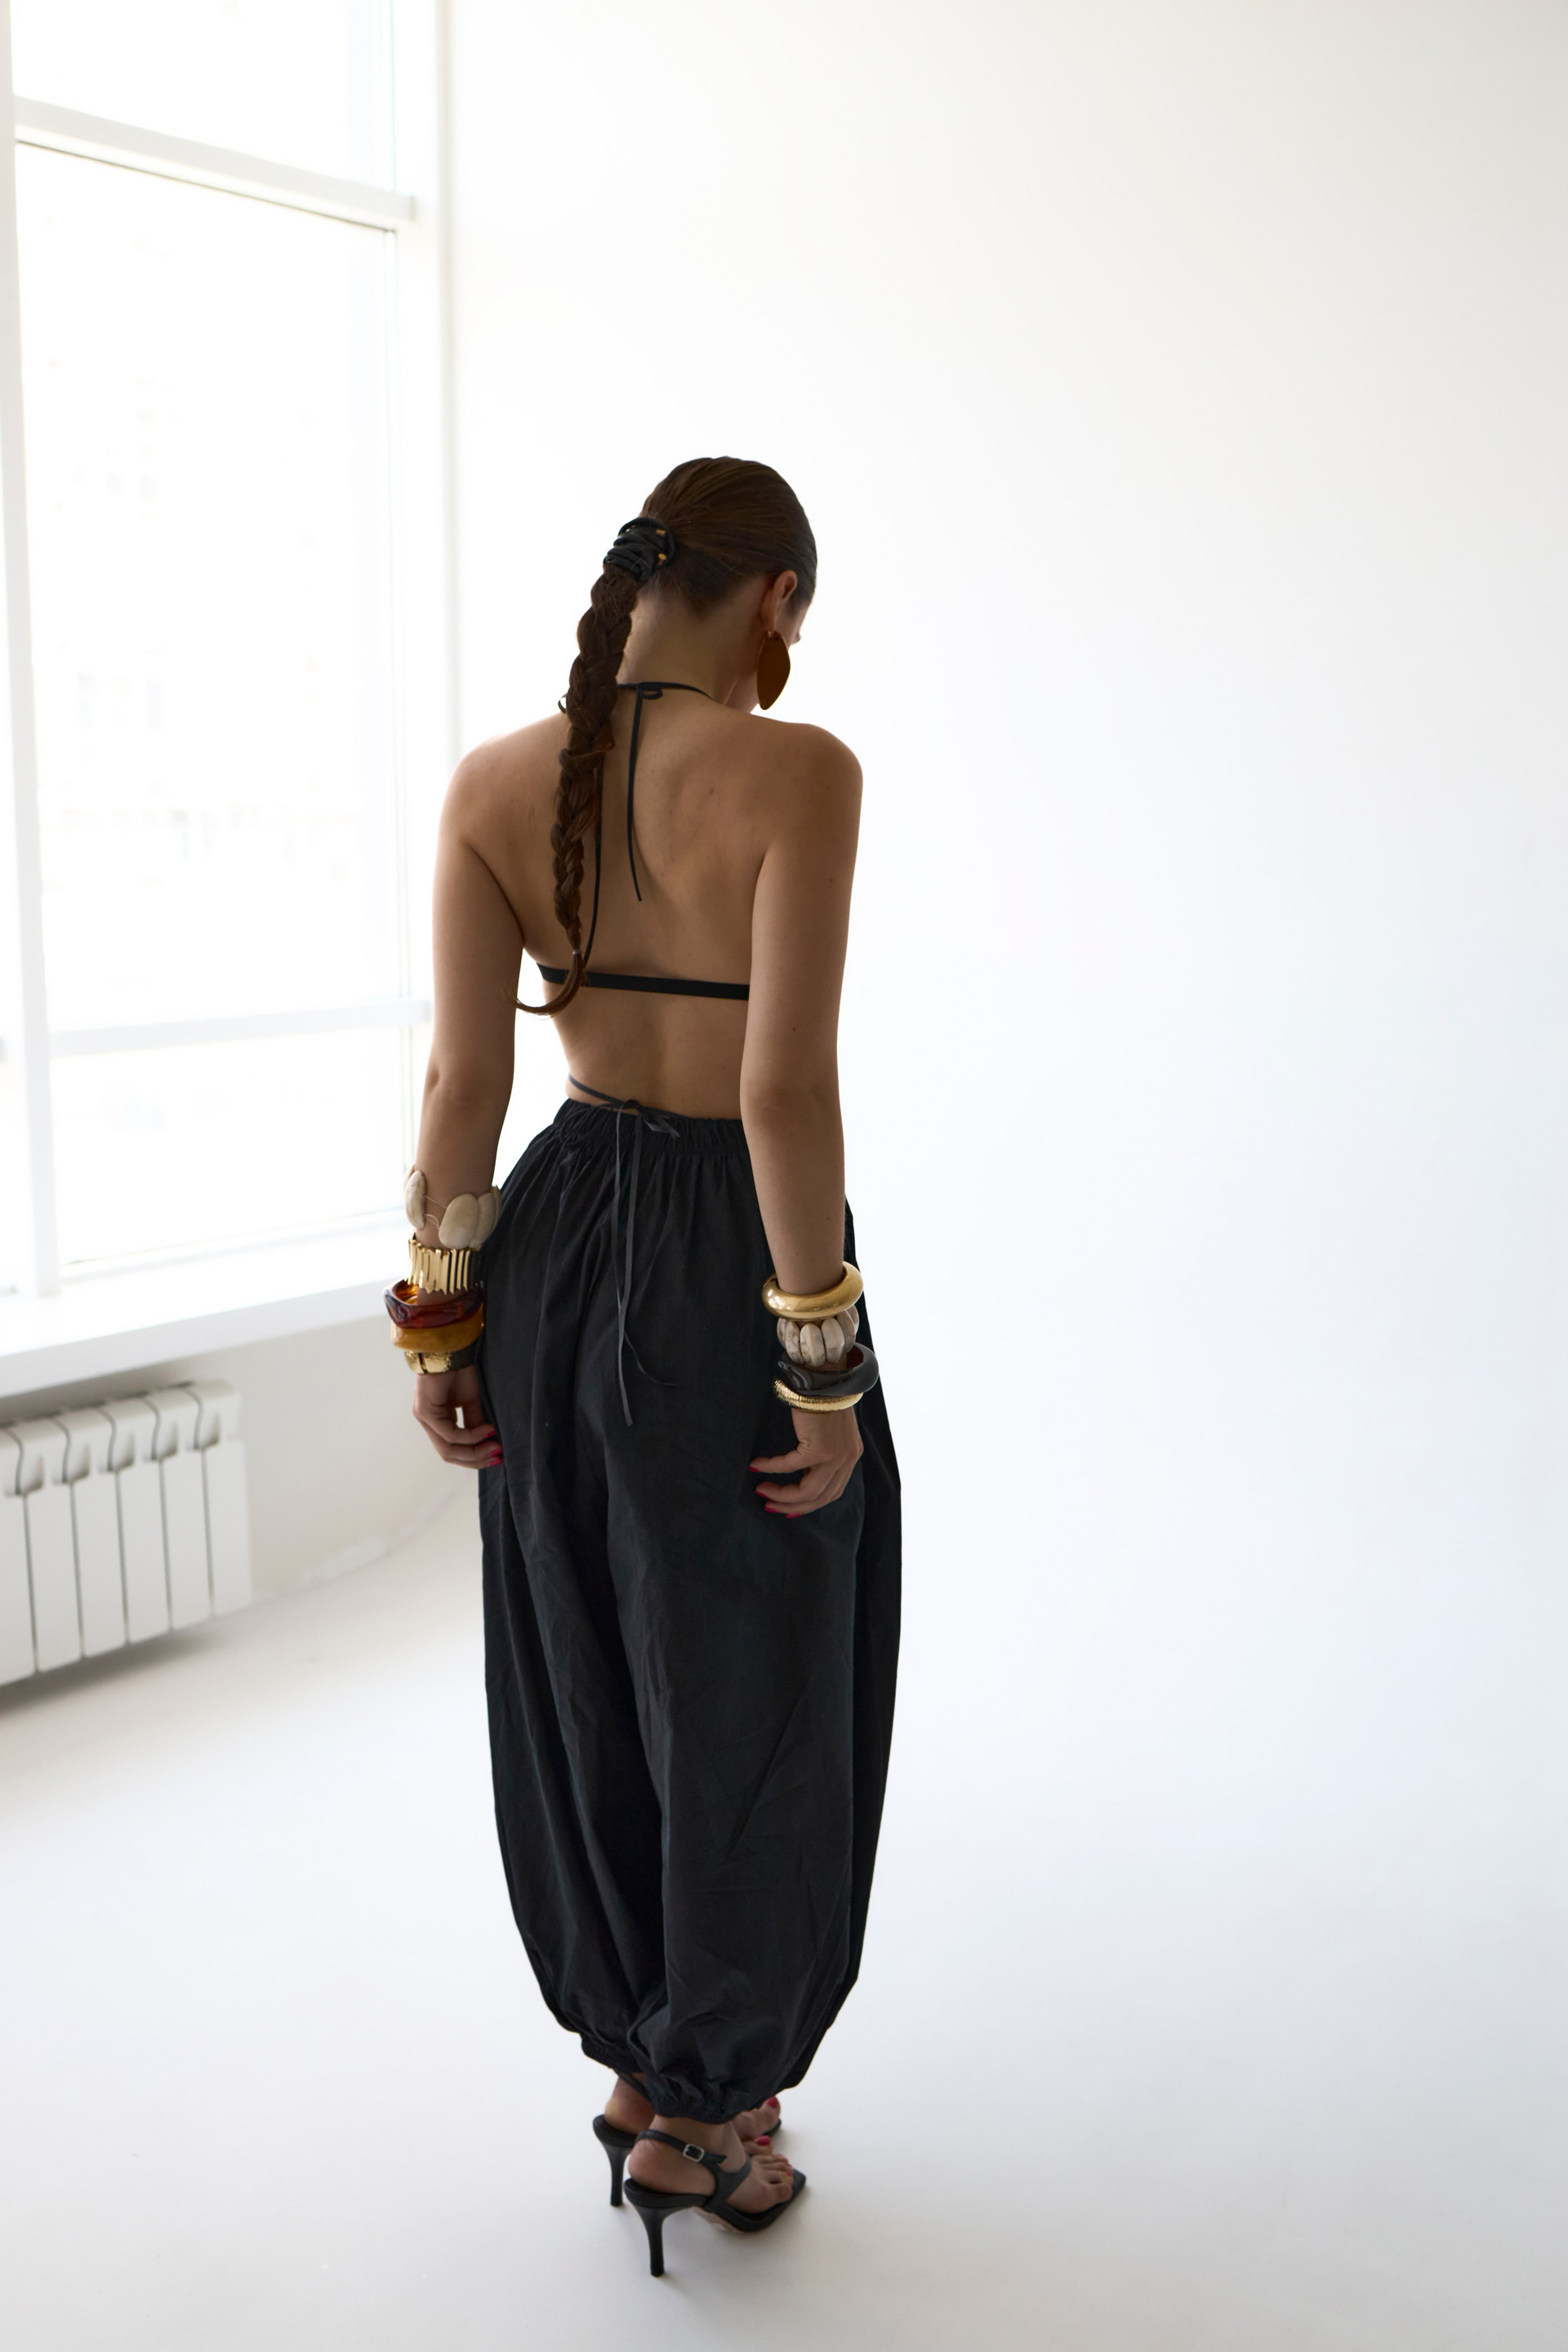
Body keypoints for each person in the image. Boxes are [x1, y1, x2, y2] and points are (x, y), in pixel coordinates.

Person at [392, 456, 900, 2275]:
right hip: (724, 1266)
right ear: (775, 597)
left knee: (586, 1657)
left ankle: (637, 2058)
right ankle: (714, 2109)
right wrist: (820, 1362)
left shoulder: (492, 783)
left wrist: (443, 1319)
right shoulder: (799, 770)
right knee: (753, 1674)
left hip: (551, 1242)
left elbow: (464, 1084)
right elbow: (784, 1090)